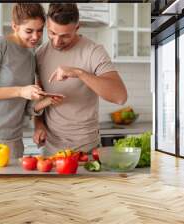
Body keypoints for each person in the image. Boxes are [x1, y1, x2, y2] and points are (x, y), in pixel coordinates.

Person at [0, 3, 63, 162]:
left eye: (39, 30)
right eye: (29, 31)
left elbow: (24, 108)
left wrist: (46, 101)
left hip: (13, 140)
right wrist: (20, 91)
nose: (36, 37)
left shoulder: (30, 56)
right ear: (15, 26)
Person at [34, 3, 128, 156]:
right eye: (52, 33)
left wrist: (79, 73)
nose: (57, 41)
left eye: (65, 36)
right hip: (51, 151)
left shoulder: (94, 52)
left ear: (77, 27)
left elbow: (120, 97)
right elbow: (37, 100)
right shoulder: (40, 54)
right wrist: (38, 125)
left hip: (87, 149)